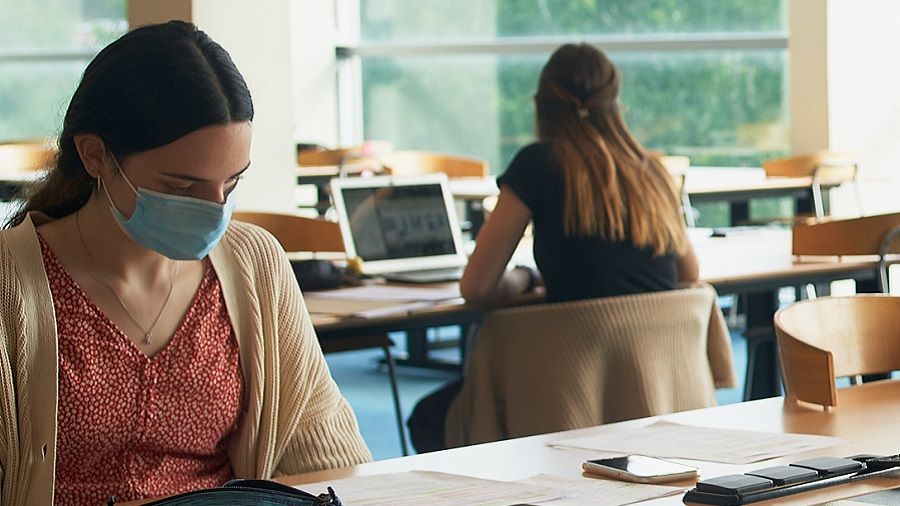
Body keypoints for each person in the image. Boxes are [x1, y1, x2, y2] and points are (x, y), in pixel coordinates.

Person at [0, 21, 370, 505]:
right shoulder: (11, 284)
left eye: (231, 183)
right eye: (181, 187)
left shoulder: (254, 265)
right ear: (95, 155)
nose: (215, 208)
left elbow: (324, 453)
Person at [408, 43, 699, 453]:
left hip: (566, 386)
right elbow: (688, 274)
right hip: (652, 388)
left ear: (542, 104)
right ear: (615, 101)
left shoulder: (538, 164)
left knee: (431, 416)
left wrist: (524, 278)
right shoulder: (651, 170)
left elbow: (476, 287)